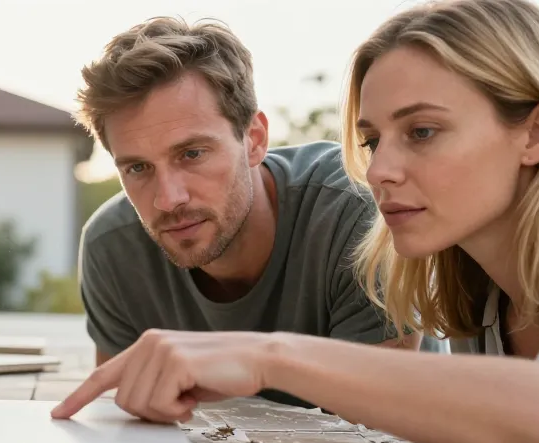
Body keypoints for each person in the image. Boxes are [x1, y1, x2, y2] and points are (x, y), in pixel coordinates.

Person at [54, 0, 539, 443]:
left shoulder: (355, 218)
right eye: (372, 141)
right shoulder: (477, 293)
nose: (378, 171)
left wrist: (267, 357)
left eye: (423, 131)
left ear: (538, 133)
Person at [71, 16, 423, 409]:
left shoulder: (360, 212)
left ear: (254, 140)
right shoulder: (113, 246)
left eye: (192, 154)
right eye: (138, 168)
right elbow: (129, 419)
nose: (168, 200)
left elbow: (380, 419)